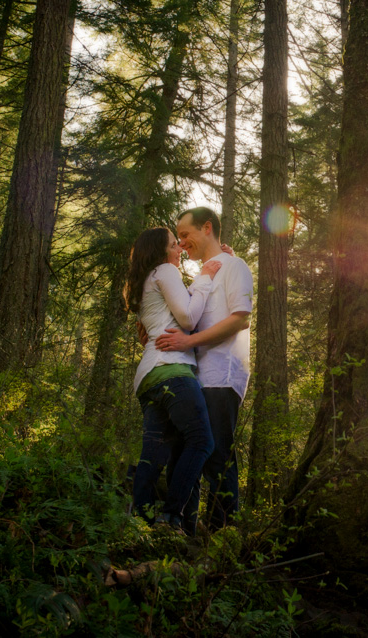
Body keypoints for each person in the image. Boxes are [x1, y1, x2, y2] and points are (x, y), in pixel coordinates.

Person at [151, 206, 253, 532]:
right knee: (185, 455)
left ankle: (222, 537)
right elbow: (186, 318)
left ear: (207, 228)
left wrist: (184, 343)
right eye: (177, 238)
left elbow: (240, 319)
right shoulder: (205, 273)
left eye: (185, 235)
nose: (180, 245)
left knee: (219, 457)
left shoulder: (234, 266)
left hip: (222, 376)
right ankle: (183, 533)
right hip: (195, 377)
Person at [124, 226, 222, 534]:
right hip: (172, 369)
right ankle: (171, 517)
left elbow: (171, 312)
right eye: (172, 245)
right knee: (202, 441)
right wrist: (205, 276)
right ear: (160, 251)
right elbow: (188, 318)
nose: (179, 249)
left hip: (149, 378)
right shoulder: (165, 271)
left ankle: (139, 520)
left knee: (153, 454)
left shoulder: (141, 283)